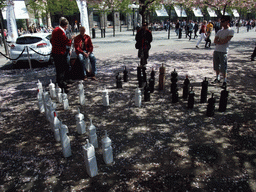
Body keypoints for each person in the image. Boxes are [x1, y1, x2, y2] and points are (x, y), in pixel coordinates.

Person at [51, 17, 74, 93]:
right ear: (65, 26)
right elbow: (66, 42)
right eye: (67, 26)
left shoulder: (55, 30)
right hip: (59, 53)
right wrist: (71, 39)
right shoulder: (60, 32)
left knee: (59, 69)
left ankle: (61, 83)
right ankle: (61, 85)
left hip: (55, 52)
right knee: (61, 70)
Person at [212, 16, 234, 89]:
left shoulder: (230, 31)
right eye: (221, 21)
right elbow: (215, 41)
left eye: (223, 21)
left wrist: (219, 41)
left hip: (223, 51)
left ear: (227, 22)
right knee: (216, 65)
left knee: (223, 67)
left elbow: (225, 41)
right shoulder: (219, 31)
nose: (221, 23)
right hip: (216, 50)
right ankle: (217, 78)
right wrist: (220, 41)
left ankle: (224, 81)